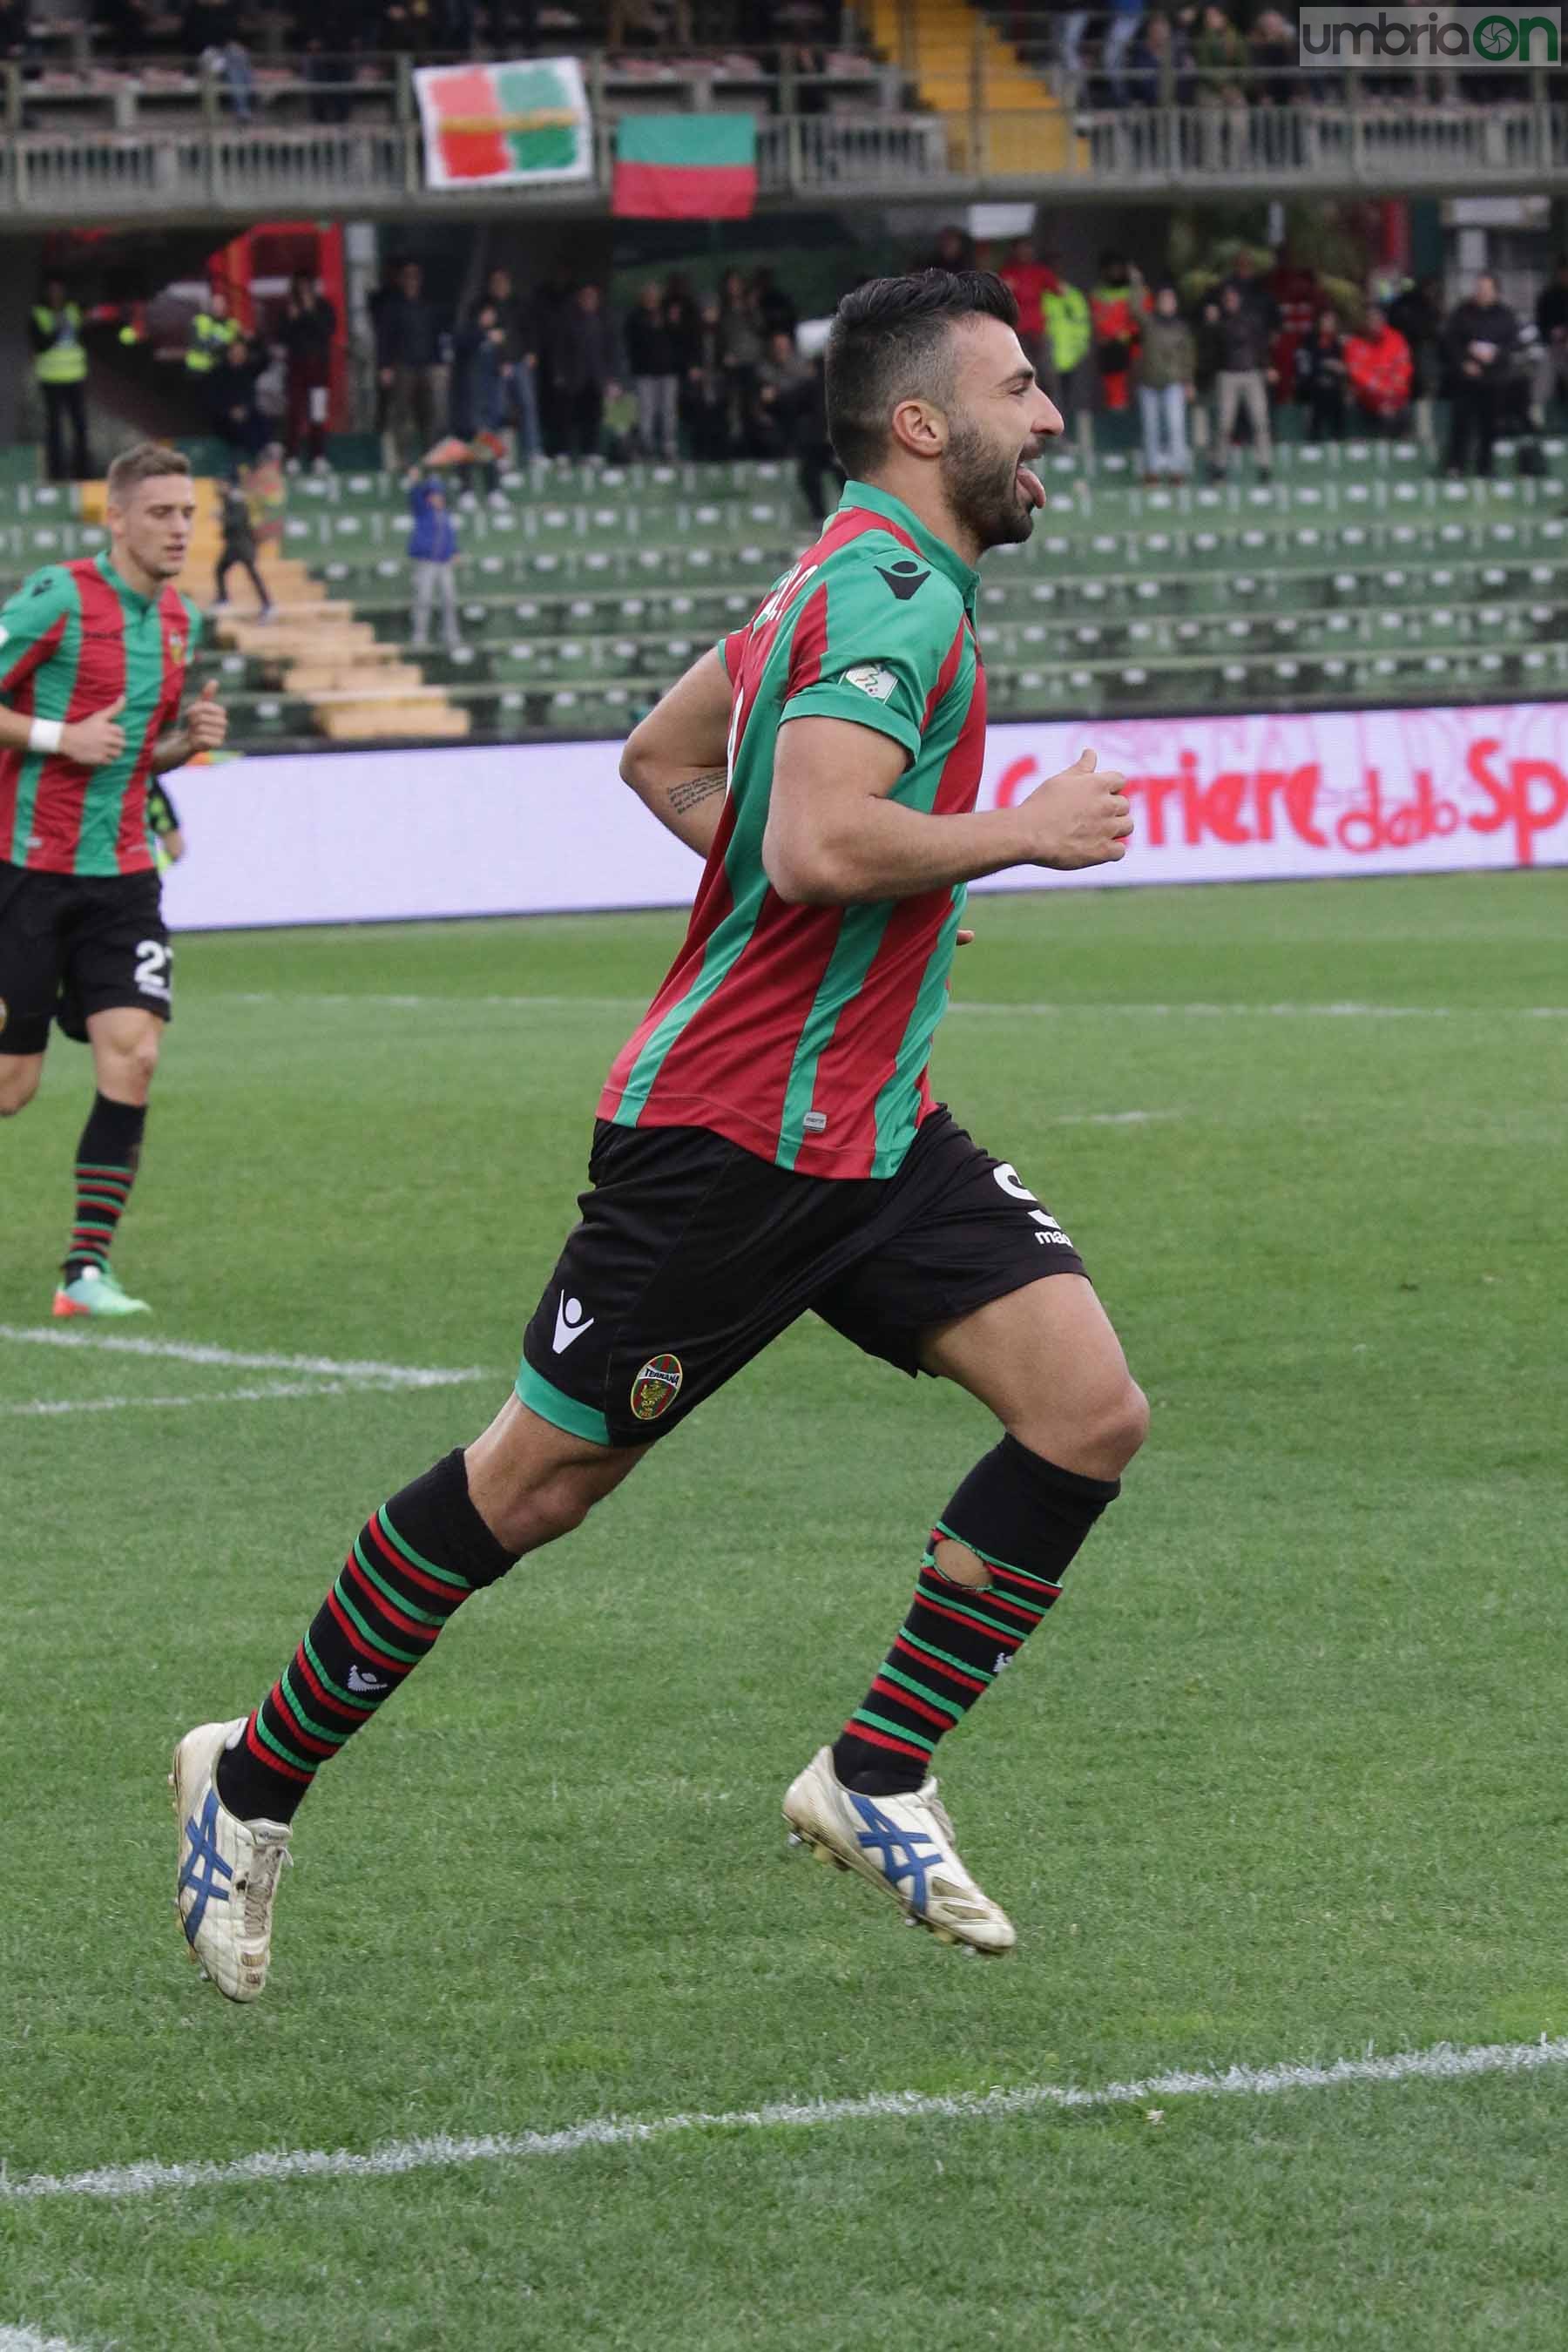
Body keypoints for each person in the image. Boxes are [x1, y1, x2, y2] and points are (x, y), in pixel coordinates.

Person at [172, 267, 1147, 2004]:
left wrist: (872, 911)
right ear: (923, 424)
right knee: (533, 1485)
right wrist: (1012, 836)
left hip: (870, 1131)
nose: (1051, 413)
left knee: (1086, 1413)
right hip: (727, 1145)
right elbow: (811, 848)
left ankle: (874, 1771)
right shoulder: (889, 600)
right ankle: (245, 1782)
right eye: (1019, 387)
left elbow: (662, 760)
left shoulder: (834, 578)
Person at [0, 443, 226, 1317]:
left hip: (125, 877)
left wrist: (187, 739)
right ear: (118, 517)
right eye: (163, 513)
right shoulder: (58, 597)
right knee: (12, 1090)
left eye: (188, 514)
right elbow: (77, 737)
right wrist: (60, 738)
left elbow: (137, 751)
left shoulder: (181, 622)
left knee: (133, 1055)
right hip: (27, 873)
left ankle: (83, 1273)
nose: (179, 529)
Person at [1443, 273, 1517, 479]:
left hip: (1494, 379)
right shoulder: (1462, 312)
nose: (1481, 293)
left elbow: (1512, 343)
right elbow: (1450, 341)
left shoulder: (1506, 315)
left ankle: (1486, 466)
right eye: (1479, 288)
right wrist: (1464, 363)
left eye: (1486, 289)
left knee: (1490, 425)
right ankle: (1455, 465)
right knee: (1461, 423)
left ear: (1495, 291)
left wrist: (1495, 354)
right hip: (1467, 378)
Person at [376, 260, 445, 470]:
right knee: (402, 414)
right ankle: (403, 459)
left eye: (415, 277)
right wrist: (384, 366)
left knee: (429, 413)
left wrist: (439, 362)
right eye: (408, 277)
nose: (412, 281)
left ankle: (430, 456)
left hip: (425, 365)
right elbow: (384, 338)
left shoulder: (427, 306)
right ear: (401, 280)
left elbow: (435, 336)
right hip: (402, 365)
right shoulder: (392, 308)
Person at [30, 277, 91, 483]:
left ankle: (84, 472)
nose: (56, 295)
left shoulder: (73, 312)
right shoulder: (38, 315)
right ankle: (56, 473)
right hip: (51, 378)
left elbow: (85, 337)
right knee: (54, 427)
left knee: (80, 426)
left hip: (75, 376)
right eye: (52, 291)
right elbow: (39, 345)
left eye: (59, 290)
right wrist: (58, 330)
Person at [548, 284, 618, 463]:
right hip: (574, 377)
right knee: (568, 417)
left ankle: (591, 452)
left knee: (593, 416)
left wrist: (611, 379)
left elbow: (611, 351)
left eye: (592, 297)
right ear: (580, 300)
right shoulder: (569, 320)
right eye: (585, 297)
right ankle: (564, 451)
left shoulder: (603, 321)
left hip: (596, 378)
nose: (589, 301)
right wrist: (559, 373)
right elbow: (560, 349)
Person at [1211, 280, 1274, 480]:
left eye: (1233, 297)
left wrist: (1267, 367)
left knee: (1260, 421)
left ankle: (1265, 466)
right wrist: (1211, 325)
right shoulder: (1218, 323)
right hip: (1227, 375)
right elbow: (1210, 351)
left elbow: (1261, 346)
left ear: (1239, 299)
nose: (1230, 301)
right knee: (1224, 424)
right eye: (1227, 298)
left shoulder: (1252, 320)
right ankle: (1219, 466)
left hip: (1252, 374)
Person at [1135, 284, 1195, 482]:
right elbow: (1134, 309)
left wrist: (1188, 381)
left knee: (1175, 428)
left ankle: (1176, 472)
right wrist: (1138, 286)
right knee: (1151, 428)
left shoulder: (1181, 327)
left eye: (1170, 300)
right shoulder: (1149, 323)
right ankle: (1152, 472)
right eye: (1163, 300)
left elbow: (1188, 356)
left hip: (1173, 383)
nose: (1167, 304)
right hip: (1149, 383)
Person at [280, 270, 336, 470]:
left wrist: (311, 313)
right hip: (296, 369)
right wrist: (293, 319)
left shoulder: (323, 307)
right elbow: (283, 336)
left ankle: (318, 456)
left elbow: (328, 331)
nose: (304, 292)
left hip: (318, 370)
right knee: (295, 412)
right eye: (300, 287)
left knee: (318, 413)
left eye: (307, 287)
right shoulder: (290, 308)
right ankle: (292, 456)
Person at [406, 465, 462, 656]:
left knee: (449, 599)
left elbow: (451, 536)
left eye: (441, 495)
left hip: (444, 563)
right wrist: (414, 481)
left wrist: (455, 551)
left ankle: (450, 633)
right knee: (424, 599)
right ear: (429, 497)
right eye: (435, 495)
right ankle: (420, 635)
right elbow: (415, 496)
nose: (439, 498)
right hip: (426, 563)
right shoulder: (422, 511)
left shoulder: (445, 516)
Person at [625, 280, 680, 463]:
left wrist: (671, 322)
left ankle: (668, 447)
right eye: (648, 295)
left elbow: (677, 339)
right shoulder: (635, 317)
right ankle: (646, 447)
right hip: (644, 372)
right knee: (646, 411)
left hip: (667, 371)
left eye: (654, 296)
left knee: (668, 411)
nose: (651, 299)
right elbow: (634, 343)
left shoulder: (667, 316)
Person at [1343, 305, 1412, 437]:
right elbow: (1359, 376)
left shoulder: (1396, 339)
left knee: (1403, 411)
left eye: (1378, 320)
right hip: (1367, 402)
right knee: (1351, 401)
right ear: (1365, 322)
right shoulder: (1354, 344)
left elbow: (1404, 370)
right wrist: (1381, 397)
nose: (1375, 324)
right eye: (1371, 320)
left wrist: (1391, 398)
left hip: (1395, 401)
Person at [213, 472, 273, 617]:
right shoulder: (227, 499)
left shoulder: (236, 500)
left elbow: (236, 522)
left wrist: (221, 517)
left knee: (253, 575)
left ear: (227, 485)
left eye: (220, 484)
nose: (218, 488)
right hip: (233, 546)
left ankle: (267, 605)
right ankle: (223, 599)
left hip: (243, 545)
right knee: (220, 570)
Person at [1090, 253, 1142, 413]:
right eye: (1111, 269)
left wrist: (1137, 282)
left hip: (1133, 346)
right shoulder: (1099, 293)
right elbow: (1099, 320)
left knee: (1138, 388)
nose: (1115, 272)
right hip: (1112, 348)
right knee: (1115, 391)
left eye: (1119, 269)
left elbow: (1142, 316)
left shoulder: (1135, 291)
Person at [1295, 308, 1348, 442]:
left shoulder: (1339, 342)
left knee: (1337, 399)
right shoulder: (1310, 340)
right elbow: (1304, 364)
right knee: (1317, 401)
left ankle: (1338, 439)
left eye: (1331, 321)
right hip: (1314, 384)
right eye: (1325, 321)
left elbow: (1347, 365)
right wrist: (1324, 364)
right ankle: (1314, 441)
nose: (1328, 324)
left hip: (1335, 385)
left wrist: (1341, 367)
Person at [184, 285, 240, 380]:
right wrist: (219, 345)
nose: (217, 306)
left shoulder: (233, 325)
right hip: (196, 369)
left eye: (220, 303)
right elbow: (197, 344)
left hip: (218, 370)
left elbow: (231, 348)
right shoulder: (200, 320)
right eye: (215, 303)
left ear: (226, 305)